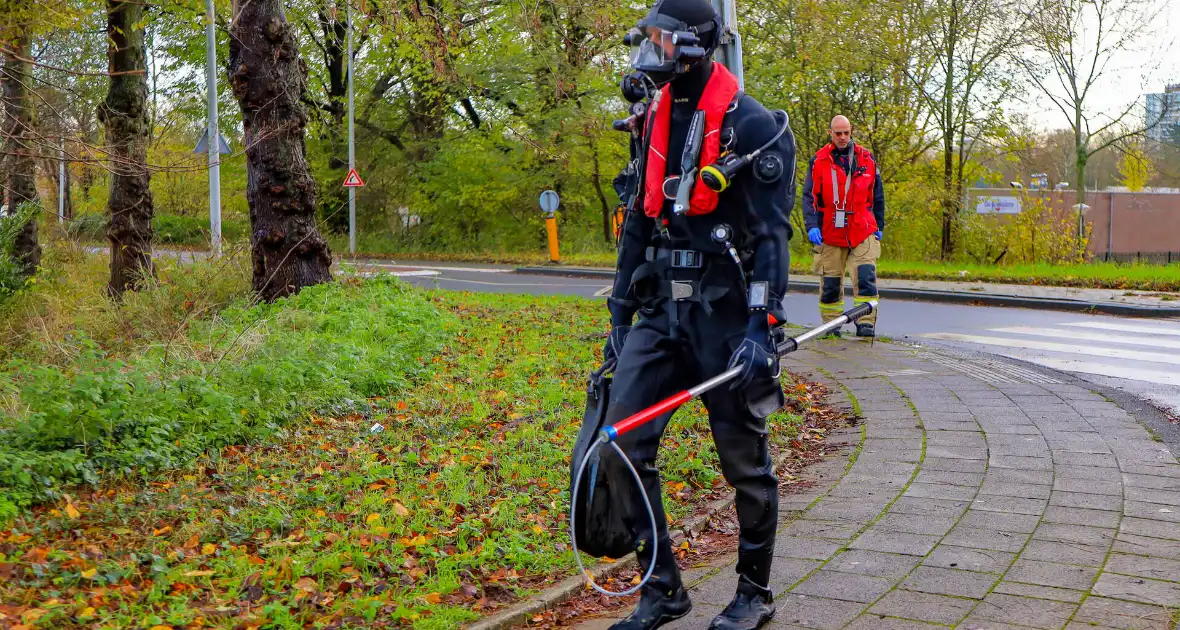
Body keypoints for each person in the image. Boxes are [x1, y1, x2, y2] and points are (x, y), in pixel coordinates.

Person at [596, 0, 796, 627]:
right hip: (661, 308)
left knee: (744, 462)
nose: (648, 50)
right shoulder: (651, 117)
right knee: (619, 444)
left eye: (660, 38)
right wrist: (622, 310)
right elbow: (637, 220)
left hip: (724, 311)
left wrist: (763, 327)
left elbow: (771, 238)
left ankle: (753, 594)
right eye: (646, 38)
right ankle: (661, 588)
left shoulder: (753, 126)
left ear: (693, 46)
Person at [801, 115, 885, 337]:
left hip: (862, 226)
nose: (842, 137)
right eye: (838, 133)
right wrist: (812, 225)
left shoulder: (866, 158)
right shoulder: (818, 161)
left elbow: (878, 195)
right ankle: (831, 325)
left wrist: (879, 224)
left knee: (866, 277)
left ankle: (865, 322)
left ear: (851, 131)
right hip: (830, 228)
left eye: (846, 133)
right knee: (830, 282)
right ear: (831, 133)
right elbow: (808, 197)